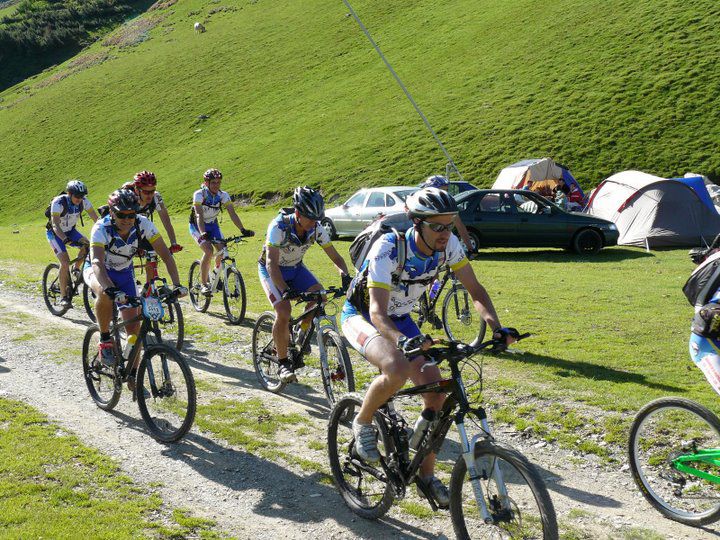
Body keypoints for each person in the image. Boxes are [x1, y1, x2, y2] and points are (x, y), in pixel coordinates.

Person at [341, 187, 518, 507]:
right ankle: (363, 421)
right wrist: (401, 341)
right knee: (396, 367)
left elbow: (475, 289)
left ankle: (425, 473)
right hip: (363, 315)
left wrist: (496, 327)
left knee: (437, 393)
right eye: (437, 226)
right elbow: (378, 312)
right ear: (416, 223)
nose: (445, 233)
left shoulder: (448, 245)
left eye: (450, 225)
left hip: (400, 319)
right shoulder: (389, 248)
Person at [84, 189, 186, 387]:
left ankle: (132, 374)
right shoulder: (101, 227)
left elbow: (166, 255)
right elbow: (97, 261)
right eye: (122, 214)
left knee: (134, 329)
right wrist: (110, 288)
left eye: (131, 214)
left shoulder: (143, 224)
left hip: (123, 274)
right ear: (112, 212)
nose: (127, 219)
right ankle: (105, 340)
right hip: (99, 271)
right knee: (105, 294)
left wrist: (177, 285)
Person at [258, 186, 352, 383]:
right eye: (309, 218)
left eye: (316, 219)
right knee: (283, 311)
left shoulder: (316, 228)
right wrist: (285, 290)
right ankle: (283, 364)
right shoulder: (278, 227)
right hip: (271, 270)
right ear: (298, 213)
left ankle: (301, 333)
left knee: (320, 297)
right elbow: (270, 263)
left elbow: (335, 256)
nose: (313, 223)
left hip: (295, 268)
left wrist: (345, 275)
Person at [189, 168, 254, 295]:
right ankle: (203, 284)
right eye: (213, 182)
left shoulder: (223, 195)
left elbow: (232, 213)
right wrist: (202, 232)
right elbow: (199, 215)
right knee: (208, 251)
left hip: (213, 226)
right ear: (206, 183)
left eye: (219, 182)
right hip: (197, 226)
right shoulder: (199, 194)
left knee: (223, 251)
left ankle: (215, 274)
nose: (216, 185)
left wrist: (243, 229)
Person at [46, 180, 99, 308]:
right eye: (77, 196)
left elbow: (97, 220)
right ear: (69, 194)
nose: (80, 199)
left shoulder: (84, 202)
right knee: (64, 262)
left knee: (88, 246)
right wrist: (64, 239)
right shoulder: (58, 202)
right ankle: (63, 297)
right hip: (55, 233)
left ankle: (76, 269)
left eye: (82, 196)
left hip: (71, 231)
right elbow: (55, 225)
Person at [420, 175, 476, 255]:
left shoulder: (448, 206)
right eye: (442, 190)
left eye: (446, 190)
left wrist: (470, 247)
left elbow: (460, 225)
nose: (445, 193)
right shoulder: (421, 204)